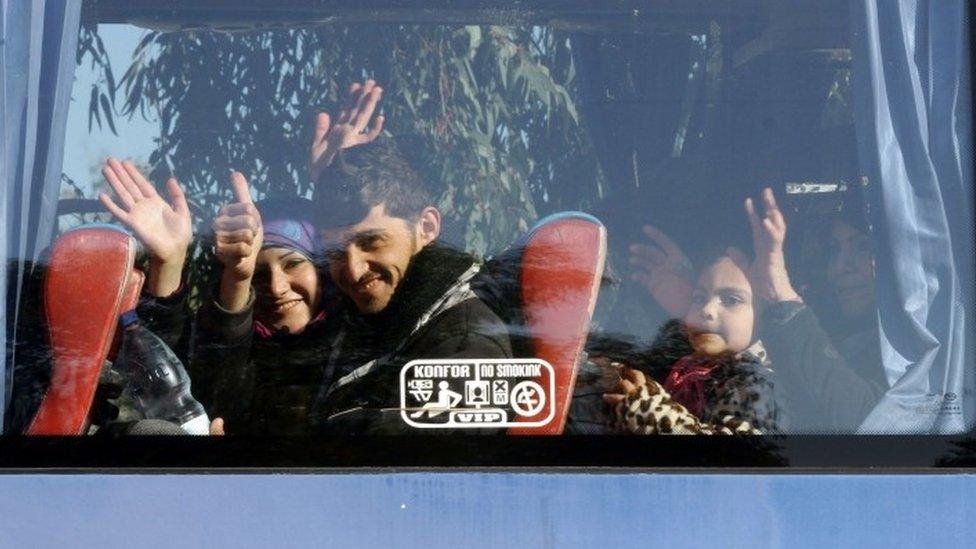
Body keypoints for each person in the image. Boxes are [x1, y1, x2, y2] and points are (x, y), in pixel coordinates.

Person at [305, 96, 512, 434]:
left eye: (372, 242)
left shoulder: (466, 338)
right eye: (335, 251)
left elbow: (414, 472)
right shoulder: (376, 316)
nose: (354, 270)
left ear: (427, 228)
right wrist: (335, 176)